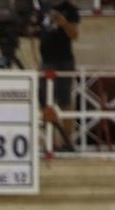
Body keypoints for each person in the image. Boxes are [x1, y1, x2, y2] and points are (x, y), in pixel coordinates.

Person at [36, 0, 80, 152]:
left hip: (64, 60)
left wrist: (64, 23)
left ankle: (67, 141)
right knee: (43, 100)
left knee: (64, 100)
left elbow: (74, 35)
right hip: (46, 60)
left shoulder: (70, 9)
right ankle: (49, 141)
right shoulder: (42, 8)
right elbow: (39, 31)